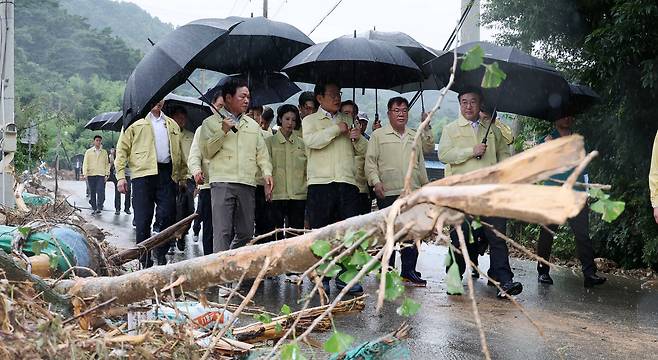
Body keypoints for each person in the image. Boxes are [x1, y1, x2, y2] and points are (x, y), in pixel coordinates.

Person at [438, 87, 523, 299]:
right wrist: (471, 151)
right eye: (464, 102)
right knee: (460, 239)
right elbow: (444, 154)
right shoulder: (450, 129)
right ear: (460, 105)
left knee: (497, 237)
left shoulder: (492, 130)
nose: (468, 106)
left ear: (480, 105)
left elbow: (504, 154)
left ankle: (505, 281)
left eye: (473, 102)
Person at [304, 81, 367, 295]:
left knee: (348, 232)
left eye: (338, 93)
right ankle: (320, 273)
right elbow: (312, 142)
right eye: (331, 94)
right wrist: (335, 129)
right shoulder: (310, 120)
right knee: (321, 232)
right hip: (320, 184)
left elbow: (362, 151)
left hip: (347, 182)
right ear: (319, 98)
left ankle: (345, 275)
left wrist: (358, 139)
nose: (337, 98)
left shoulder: (349, 119)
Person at [199, 78, 273, 256]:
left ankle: (229, 261)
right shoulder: (210, 123)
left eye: (248, 97)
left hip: (247, 183)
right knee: (222, 233)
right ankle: (217, 278)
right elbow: (207, 152)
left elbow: (261, 153)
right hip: (222, 182)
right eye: (242, 96)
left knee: (246, 232)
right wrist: (222, 131)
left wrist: (267, 173)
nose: (247, 100)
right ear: (228, 98)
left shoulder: (253, 126)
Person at [365, 97, 434, 286]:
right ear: (389, 114)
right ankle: (385, 269)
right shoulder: (379, 135)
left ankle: (408, 270)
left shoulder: (414, 134)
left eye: (404, 110)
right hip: (388, 190)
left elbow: (426, 153)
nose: (401, 113)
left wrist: (426, 125)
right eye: (396, 110)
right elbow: (370, 162)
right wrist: (375, 182)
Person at [536, 115, 606, 287]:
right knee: (547, 233)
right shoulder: (546, 141)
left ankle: (589, 274)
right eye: (562, 114)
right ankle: (543, 271)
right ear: (554, 117)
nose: (567, 118)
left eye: (570, 114)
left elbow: (585, 169)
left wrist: (587, 192)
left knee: (583, 235)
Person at [115, 100, 187, 268]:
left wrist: (183, 176)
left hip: (166, 174)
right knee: (142, 218)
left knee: (168, 214)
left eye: (162, 98)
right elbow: (122, 150)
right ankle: (144, 257)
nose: (158, 102)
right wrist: (120, 176)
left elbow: (179, 153)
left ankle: (160, 252)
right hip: (142, 175)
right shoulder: (134, 122)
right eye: (156, 97)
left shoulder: (171, 124)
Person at [266, 104, 307, 282]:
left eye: (293, 120)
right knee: (275, 231)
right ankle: (275, 266)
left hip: (298, 194)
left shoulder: (301, 144)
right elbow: (265, 167)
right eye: (287, 119)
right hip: (277, 193)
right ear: (280, 120)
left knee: (295, 232)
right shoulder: (270, 142)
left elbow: (307, 168)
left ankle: (294, 267)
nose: (290, 123)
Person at [192, 91, 223, 248]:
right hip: (208, 185)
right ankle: (209, 264)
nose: (222, 111)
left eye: (226, 108)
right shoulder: (202, 130)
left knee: (226, 228)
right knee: (210, 227)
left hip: (229, 184)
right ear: (212, 107)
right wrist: (197, 170)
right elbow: (195, 155)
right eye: (219, 106)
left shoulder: (238, 130)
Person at [169, 105, 195, 252]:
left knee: (190, 210)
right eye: (179, 117)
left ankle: (183, 233)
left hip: (188, 178)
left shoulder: (190, 136)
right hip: (172, 177)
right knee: (173, 210)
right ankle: (172, 238)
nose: (182, 120)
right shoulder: (168, 134)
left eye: (184, 118)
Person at [340, 100, 370, 215]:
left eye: (352, 113)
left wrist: (359, 139)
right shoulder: (334, 134)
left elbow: (369, 155)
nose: (349, 116)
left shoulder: (361, 138)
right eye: (345, 113)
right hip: (339, 188)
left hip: (359, 189)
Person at [83, 135, 110, 215]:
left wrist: (107, 174)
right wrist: (85, 173)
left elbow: (107, 164)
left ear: (101, 142)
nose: (98, 142)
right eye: (97, 140)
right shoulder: (88, 152)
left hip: (101, 174)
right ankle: (94, 208)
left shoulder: (104, 152)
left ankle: (99, 206)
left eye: (99, 140)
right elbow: (85, 163)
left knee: (100, 191)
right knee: (93, 191)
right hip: (91, 174)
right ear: (94, 141)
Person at [108, 148, 130, 215]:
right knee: (117, 191)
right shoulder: (116, 154)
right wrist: (112, 154)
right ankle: (117, 209)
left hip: (128, 173)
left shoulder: (129, 153)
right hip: (118, 174)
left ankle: (127, 208)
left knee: (128, 191)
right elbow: (112, 163)